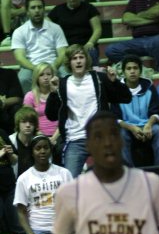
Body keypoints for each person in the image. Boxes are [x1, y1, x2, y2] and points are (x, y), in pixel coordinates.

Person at [45, 44, 131, 178]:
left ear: (87, 60)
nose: (78, 61)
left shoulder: (99, 78)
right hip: (75, 139)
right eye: (74, 58)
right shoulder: (62, 84)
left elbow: (126, 98)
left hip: (101, 136)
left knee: (118, 175)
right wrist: (53, 94)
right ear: (69, 62)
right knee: (69, 181)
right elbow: (51, 116)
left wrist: (115, 82)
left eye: (81, 57)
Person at [11, 0, 68, 93]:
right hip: (31, 66)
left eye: (39, 7)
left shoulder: (56, 28)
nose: (37, 10)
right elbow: (20, 58)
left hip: (54, 64)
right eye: (33, 8)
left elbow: (62, 53)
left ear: (44, 9)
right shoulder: (19, 31)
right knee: (23, 78)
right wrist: (36, 69)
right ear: (27, 11)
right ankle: (29, 105)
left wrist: (54, 66)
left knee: (67, 75)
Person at [118, 54, 159, 167]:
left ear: (140, 71)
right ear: (124, 72)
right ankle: (130, 174)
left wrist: (149, 124)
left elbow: (156, 112)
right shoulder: (117, 89)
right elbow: (116, 118)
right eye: (129, 69)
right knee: (121, 134)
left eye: (135, 68)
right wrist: (131, 127)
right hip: (128, 128)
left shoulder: (149, 87)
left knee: (158, 130)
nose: (132, 71)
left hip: (147, 126)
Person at [48, 0, 102, 66]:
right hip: (66, 48)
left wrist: (90, 43)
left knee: (91, 52)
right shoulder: (58, 10)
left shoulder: (90, 8)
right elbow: (46, 21)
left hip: (86, 47)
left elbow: (97, 29)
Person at [23, 63, 61, 161]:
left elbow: (65, 118)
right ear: (36, 78)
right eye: (42, 75)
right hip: (37, 134)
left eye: (48, 74)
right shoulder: (30, 96)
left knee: (59, 149)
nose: (46, 78)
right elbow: (28, 121)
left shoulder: (60, 94)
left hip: (58, 134)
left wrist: (53, 138)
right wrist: (43, 137)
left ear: (53, 76)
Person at [0, 127, 23, 234]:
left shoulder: (2, 132)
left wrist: (10, 154)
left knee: (17, 227)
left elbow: (15, 160)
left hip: (9, 186)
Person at [9, 106, 39, 177]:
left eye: (31, 122)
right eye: (24, 122)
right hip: (14, 184)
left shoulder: (39, 141)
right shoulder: (10, 141)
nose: (28, 125)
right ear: (18, 124)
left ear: (35, 125)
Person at [0, 65, 23, 135]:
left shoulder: (9, 73)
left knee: (17, 108)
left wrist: (2, 103)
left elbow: (18, 98)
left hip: (6, 111)